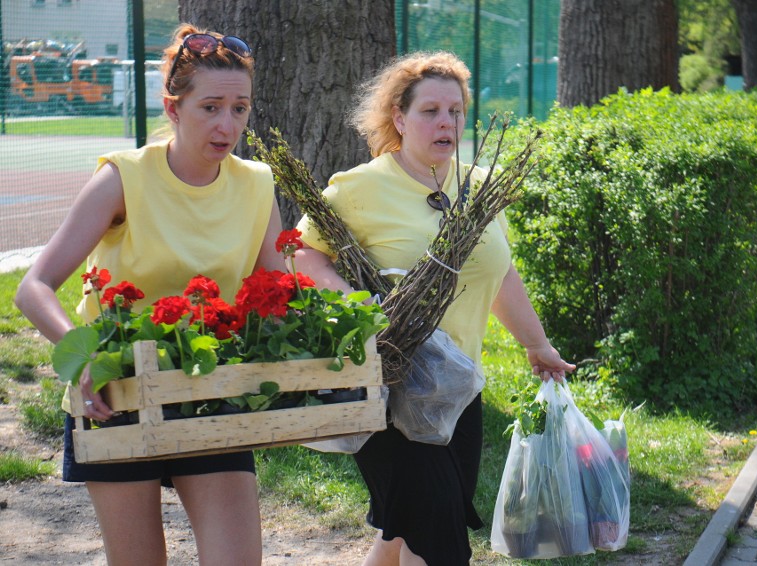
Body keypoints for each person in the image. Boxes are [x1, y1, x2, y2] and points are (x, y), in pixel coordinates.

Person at [14, 23, 285, 566]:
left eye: (240, 108)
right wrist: (85, 355)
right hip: (117, 394)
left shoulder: (257, 183)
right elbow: (33, 287)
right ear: (173, 107)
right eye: (210, 107)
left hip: (211, 386)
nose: (226, 124)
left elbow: (276, 295)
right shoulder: (123, 177)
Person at [294, 51, 575, 566]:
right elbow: (304, 254)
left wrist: (536, 344)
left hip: (458, 387)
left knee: (402, 532)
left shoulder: (478, 188)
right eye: (430, 111)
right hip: (387, 388)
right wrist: (352, 302)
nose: (446, 122)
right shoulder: (358, 187)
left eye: (455, 111)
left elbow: (500, 274)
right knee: (440, 538)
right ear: (399, 118)